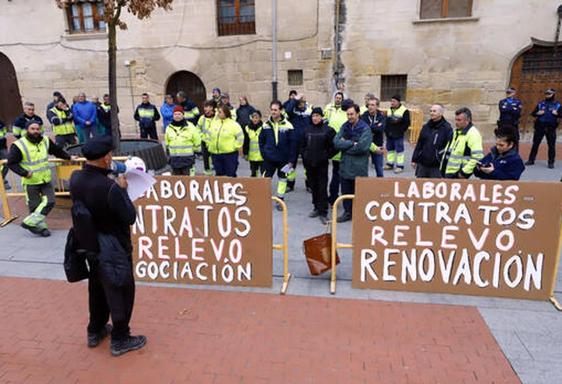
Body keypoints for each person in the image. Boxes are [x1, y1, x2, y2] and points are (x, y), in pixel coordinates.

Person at [69, 135, 146, 357]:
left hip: (88, 242)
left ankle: (95, 330)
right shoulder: (109, 188)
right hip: (113, 246)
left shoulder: (75, 178)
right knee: (120, 290)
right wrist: (122, 189)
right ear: (105, 158)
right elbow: (129, 216)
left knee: (97, 287)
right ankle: (121, 338)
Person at [7, 121, 75, 237]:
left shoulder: (45, 140)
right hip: (30, 181)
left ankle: (29, 222)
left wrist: (69, 157)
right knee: (34, 205)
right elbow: (12, 163)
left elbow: (56, 151)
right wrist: (24, 173)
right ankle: (40, 228)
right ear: (27, 130)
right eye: (32, 129)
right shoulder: (19, 145)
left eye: (38, 129)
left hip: (45, 179)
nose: (36, 131)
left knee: (50, 201)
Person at [333, 104, 371, 223]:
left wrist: (345, 147)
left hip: (358, 168)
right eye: (348, 114)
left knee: (359, 193)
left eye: (352, 114)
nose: (349, 116)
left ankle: (360, 214)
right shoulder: (345, 126)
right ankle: (348, 212)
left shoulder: (365, 129)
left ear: (358, 114)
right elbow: (336, 142)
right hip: (345, 167)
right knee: (346, 192)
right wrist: (351, 143)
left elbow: (362, 147)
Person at [301, 107, 336, 224]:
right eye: (313, 116)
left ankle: (323, 211)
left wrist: (326, 155)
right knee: (313, 186)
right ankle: (316, 207)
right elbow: (302, 145)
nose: (315, 118)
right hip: (309, 164)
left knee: (322, 187)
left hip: (322, 164)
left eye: (317, 116)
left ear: (321, 117)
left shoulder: (328, 130)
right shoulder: (307, 130)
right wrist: (305, 155)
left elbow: (335, 146)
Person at [259, 100, 296, 210]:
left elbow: (293, 145)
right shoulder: (265, 125)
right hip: (269, 159)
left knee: (283, 180)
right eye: (272, 110)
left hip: (283, 160)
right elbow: (261, 141)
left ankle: (280, 200)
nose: (273, 112)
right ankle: (264, 200)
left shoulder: (288, 126)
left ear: (281, 111)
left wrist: (291, 161)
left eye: (275, 110)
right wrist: (264, 154)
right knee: (265, 180)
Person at [440, 107, 484, 178]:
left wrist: (463, 173)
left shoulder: (473, 134)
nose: (456, 122)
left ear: (468, 120)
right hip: (448, 173)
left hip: (458, 175)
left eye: (459, 120)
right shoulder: (456, 132)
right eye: (456, 119)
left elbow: (478, 157)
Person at [411, 104, 453, 178]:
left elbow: (449, 146)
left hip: (436, 166)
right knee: (420, 186)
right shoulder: (426, 127)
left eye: (434, 111)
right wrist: (414, 159)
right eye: (430, 111)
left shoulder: (447, 128)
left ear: (441, 113)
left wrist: (439, 157)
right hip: (422, 164)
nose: (431, 113)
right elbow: (420, 144)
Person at [526, 88, 561, 169]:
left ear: (553, 94)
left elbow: (561, 115)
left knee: (551, 146)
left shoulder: (557, 105)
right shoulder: (541, 104)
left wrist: (557, 114)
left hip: (551, 128)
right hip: (540, 127)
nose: (547, 95)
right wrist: (538, 113)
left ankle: (551, 162)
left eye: (549, 94)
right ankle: (531, 160)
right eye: (546, 94)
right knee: (535, 144)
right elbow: (533, 113)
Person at [205, 105, 244, 177]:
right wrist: (209, 145)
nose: (218, 114)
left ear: (225, 113)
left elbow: (240, 137)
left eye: (220, 112)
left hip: (229, 154)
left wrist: (235, 146)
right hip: (215, 154)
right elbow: (208, 135)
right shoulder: (214, 123)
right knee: (219, 175)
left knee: (230, 174)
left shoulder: (233, 124)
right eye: (217, 112)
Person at [284, 93, 312, 192]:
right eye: (299, 103)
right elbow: (287, 109)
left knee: (307, 165)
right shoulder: (292, 112)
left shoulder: (309, 111)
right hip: (293, 142)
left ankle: (309, 185)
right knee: (291, 164)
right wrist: (295, 99)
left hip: (305, 143)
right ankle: (289, 184)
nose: (301, 105)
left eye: (302, 103)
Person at [324, 91, 347, 206]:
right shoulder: (329, 108)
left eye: (340, 98)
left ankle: (339, 198)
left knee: (340, 174)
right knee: (337, 174)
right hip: (336, 146)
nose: (338, 99)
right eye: (337, 97)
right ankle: (335, 197)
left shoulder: (345, 111)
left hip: (343, 147)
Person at [165, 106, 201, 176]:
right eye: (175, 114)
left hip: (187, 161)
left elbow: (197, 142)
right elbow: (167, 143)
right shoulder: (169, 128)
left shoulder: (190, 127)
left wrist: (193, 153)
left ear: (183, 115)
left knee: (188, 182)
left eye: (179, 114)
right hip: (174, 161)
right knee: (176, 182)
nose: (177, 116)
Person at [384, 95, 410, 173]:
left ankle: (400, 166)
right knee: (390, 150)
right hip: (389, 134)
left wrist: (400, 131)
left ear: (398, 102)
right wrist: (386, 131)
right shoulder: (389, 110)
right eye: (391, 101)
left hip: (398, 135)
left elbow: (407, 123)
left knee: (399, 151)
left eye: (394, 101)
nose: (392, 103)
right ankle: (390, 164)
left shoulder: (404, 110)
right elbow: (386, 122)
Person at [360, 96, 385, 177]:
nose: (370, 107)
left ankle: (380, 185)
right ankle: (365, 186)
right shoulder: (364, 115)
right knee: (362, 168)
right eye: (369, 105)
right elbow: (363, 128)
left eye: (373, 105)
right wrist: (375, 126)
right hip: (366, 144)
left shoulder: (381, 115)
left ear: (377, 106)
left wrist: (370, 128)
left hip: (378, 144)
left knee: (379, 169)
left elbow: (381, 129)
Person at [196, 100, 217, 176]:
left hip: (215, 142)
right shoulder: (202, 118)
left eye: (208, 107)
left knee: (216, 161)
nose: (206, 109)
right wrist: (202, 137)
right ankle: (207, 175)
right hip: (205, 142)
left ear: (212, 108)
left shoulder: (217, 118)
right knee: (206, 161)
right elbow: (197, 129)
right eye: (205, 107)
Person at [244, 110, 265, 177]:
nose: (255, 119)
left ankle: (263, 186)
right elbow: (246, 142)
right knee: (253, 173)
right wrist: (246, 153)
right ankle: (255, 186)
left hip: (262, 156)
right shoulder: (248, 128)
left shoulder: (264, 127)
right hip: (252, 156)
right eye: (253, 118)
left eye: (257, 118)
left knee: (263, 173)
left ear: (260, 118)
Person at [0, 119, 9, 190]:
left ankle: (2, 179)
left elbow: (4, 131)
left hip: (2, 147)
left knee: (7, 163)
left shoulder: (0, 122)